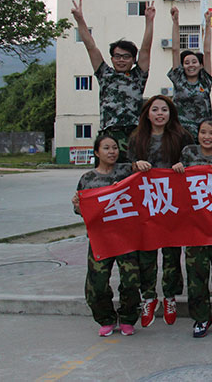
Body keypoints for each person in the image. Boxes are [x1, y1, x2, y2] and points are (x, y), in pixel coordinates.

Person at [128, 95, 193, 327]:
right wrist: (135, 165)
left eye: (164, 110)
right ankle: (148, 296)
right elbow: (126, 167)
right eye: (154, 110)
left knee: (172, 252)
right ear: (147, 113)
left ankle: (170, 296)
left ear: (170, 113)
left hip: (172, 203)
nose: (159, 114)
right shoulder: (137, 138)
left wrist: (183, 166)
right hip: (146, 202)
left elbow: (194, 161)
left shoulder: (181, 136)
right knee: (146, 251)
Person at [172, 118, 212, 337]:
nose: (206, 137)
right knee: (196, 276)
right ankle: (201, 318)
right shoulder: (188, 153)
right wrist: (177, 169)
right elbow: (176, 184)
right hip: (194, 227)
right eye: (203, 132)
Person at [71, 0, 154, 161]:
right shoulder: (105, 74)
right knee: (106, 172)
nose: (121, 60)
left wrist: (149, 21)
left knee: (135, 171)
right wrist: (80, 20)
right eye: (117, 56)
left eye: (126, 56)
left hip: (134, 134)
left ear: (133, 59)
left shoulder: (138, 76)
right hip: (108, 134)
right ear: (112, 58)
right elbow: (90, 46)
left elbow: (146, 49)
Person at [72, 134, 139, 337]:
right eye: (106, 148)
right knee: (97, 284)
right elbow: (80, 209)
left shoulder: (127, 171)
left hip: (126, 238)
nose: (112, 152)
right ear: (96, 152)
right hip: (100, 239)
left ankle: (127, 319)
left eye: (115, 148)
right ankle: (106, 319)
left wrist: (141, 165)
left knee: (130, 281)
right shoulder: (87, 179)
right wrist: (78, 206)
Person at [168, 7, 212, 139]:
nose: (191, 65)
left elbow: (207, 52)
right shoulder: (179, 79)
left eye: (194, 62)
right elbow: (175, 50)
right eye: (187, 62)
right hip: (180, 132)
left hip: (203, 133)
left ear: (200, 65)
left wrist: (208, 24)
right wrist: (175, 22)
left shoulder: (205, 80)